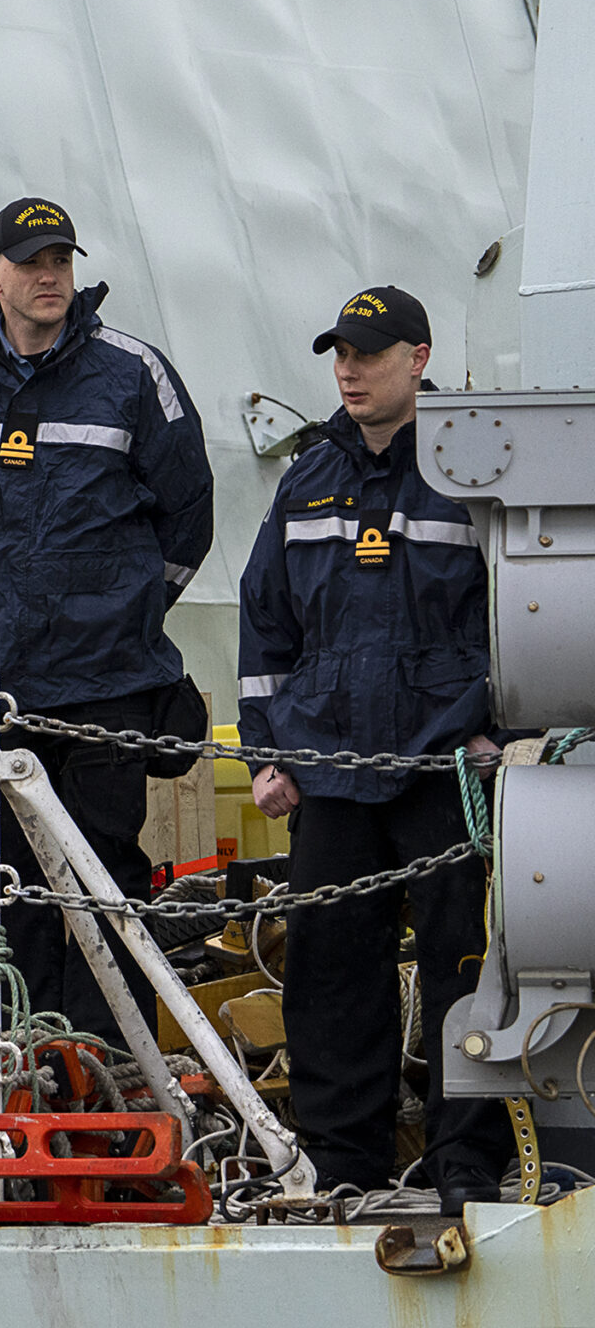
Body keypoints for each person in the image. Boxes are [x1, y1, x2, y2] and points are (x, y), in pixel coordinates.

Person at [0, 198, 214, 1043]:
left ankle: (112, 1113)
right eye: (33, 263)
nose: (50, 277)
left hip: (105, 691)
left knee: (105, 893)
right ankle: (27, 1109)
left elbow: (189, 518)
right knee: (9, 905)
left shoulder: (130, 373)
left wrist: (122, 609)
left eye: (62, 262)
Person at [237, 286, 507, 1211]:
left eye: (369, 352)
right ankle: (343, 1158)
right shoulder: (308, 479)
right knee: (331, 968)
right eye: (340, 353)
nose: (348, 369)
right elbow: (265, 621)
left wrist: (494, 732)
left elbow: (515, 612)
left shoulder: (468, 474)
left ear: (418, 358)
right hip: (332, 772)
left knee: (461, 971)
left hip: (441, 769)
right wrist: (267, 754)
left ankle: (466, 1158)